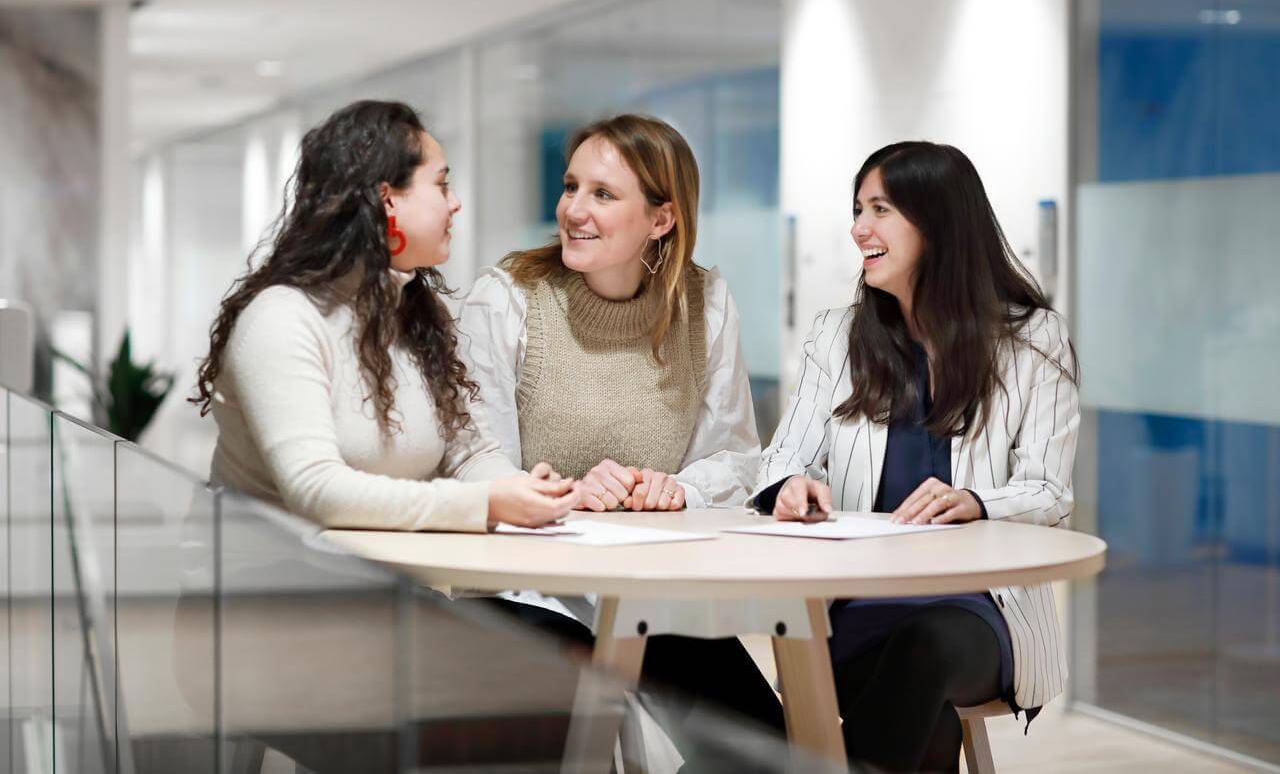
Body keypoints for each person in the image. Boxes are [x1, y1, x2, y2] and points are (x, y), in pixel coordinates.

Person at [456, 113, 784, 759]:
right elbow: (474, 462)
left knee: (772, 749)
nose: (574, 209)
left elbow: (735, 456)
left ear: (661, 219)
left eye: (603, 194)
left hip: (649, 595)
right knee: (583, 732)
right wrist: (565, 495)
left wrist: (676, 489)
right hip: (528, 591)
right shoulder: (506, 299)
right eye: (570, 186)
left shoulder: (705, 305)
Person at [756, 141, 1079, 772]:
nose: (859, 229)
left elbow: (1049, 492)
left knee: (922, 652)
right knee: (924, 723)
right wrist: (791, 484)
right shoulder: (836, 335)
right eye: (858, 209)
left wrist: (977, 502)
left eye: (880, 209)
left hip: (980, 608)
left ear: (937, 222)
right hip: (860, 603)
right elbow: (780, 458)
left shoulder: (1035, 339)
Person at [192, 99, 577, 531]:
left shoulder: (418, 310)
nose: (455, 203)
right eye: (441, 185)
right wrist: (484, 503)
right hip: (269, 572)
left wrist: (524, 491)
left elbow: (470, 453)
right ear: (386, 199)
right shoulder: (281, 319)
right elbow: (315, 490)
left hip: (379, 569)